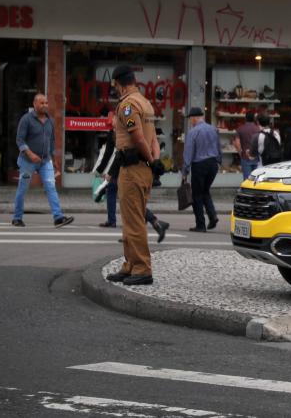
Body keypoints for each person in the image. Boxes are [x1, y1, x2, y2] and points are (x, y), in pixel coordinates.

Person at [105, 65, 160, 286]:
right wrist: (154, 162)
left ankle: (142, 268)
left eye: (115, 85)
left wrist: (148, 160)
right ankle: (129, 265)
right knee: (131, 219)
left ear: (118, 83)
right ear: (134, 79)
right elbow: (153, 139)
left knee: (133, 221)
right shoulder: (145, 103)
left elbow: (138, 138)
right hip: (144, 169)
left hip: (132, 169)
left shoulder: (127, 105)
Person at [93, 113, 169, 242]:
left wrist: (107, 173)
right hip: (132, 168)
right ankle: (142, 228)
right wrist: (154, 163)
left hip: (128, 170)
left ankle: (143, 227)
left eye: (114, 118)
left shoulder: (125, 130)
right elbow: (152, 143)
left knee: (131, 203)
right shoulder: (125, 131)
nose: (112, 121)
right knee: (132, 202)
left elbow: (120, 154)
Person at [11, 93, 74, 228]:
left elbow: (51, 141)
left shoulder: (50, 120)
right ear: (34, 104)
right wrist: (30, 153)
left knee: (51, 187)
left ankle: (58, 217)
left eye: (46, 103)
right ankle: (17, 218)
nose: (45, 105)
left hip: (45, 161)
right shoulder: (26, 119)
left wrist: (55, 158)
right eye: (42, 103)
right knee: (23, 188)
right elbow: (19, 140)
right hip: (27, 161)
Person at [183, 107, 221, 232]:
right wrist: (218, 161)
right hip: (213, 164)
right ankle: (212, 215)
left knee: (197, 195)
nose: (190, 121)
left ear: (194, 118)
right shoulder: (213, 129)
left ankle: (200, 225)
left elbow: (188, 153)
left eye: (190, 119)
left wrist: (185, 171)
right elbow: (218, 147)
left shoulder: (193, 132)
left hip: (199, 164)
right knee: (205, 191)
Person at [233, 111, 260, 178]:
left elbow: (237, 143)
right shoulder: (258, 129)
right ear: (254, 119)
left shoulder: (240, 129)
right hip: (257, 156)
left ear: (245, 118)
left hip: (245, 157)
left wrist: (240, 153)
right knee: (256, 179)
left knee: (247, 179)